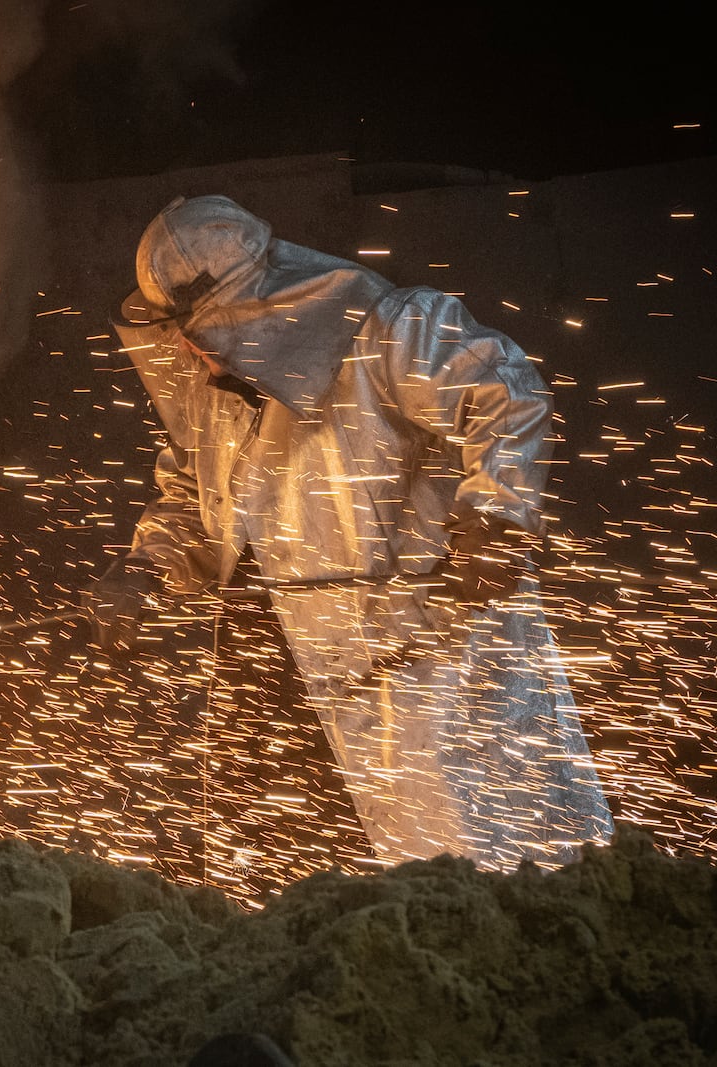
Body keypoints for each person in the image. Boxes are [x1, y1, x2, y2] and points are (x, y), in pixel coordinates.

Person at [86, 194, 613, 870]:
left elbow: (504, 392)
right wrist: (144, 568)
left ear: (254, 310)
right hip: (343, 688)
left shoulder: (391, 334)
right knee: (425, 898)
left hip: (452, 665)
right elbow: (195, 496)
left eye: (201, 330)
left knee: (530, 871)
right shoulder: (217, 402)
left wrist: (496, 517)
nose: (188, 351)